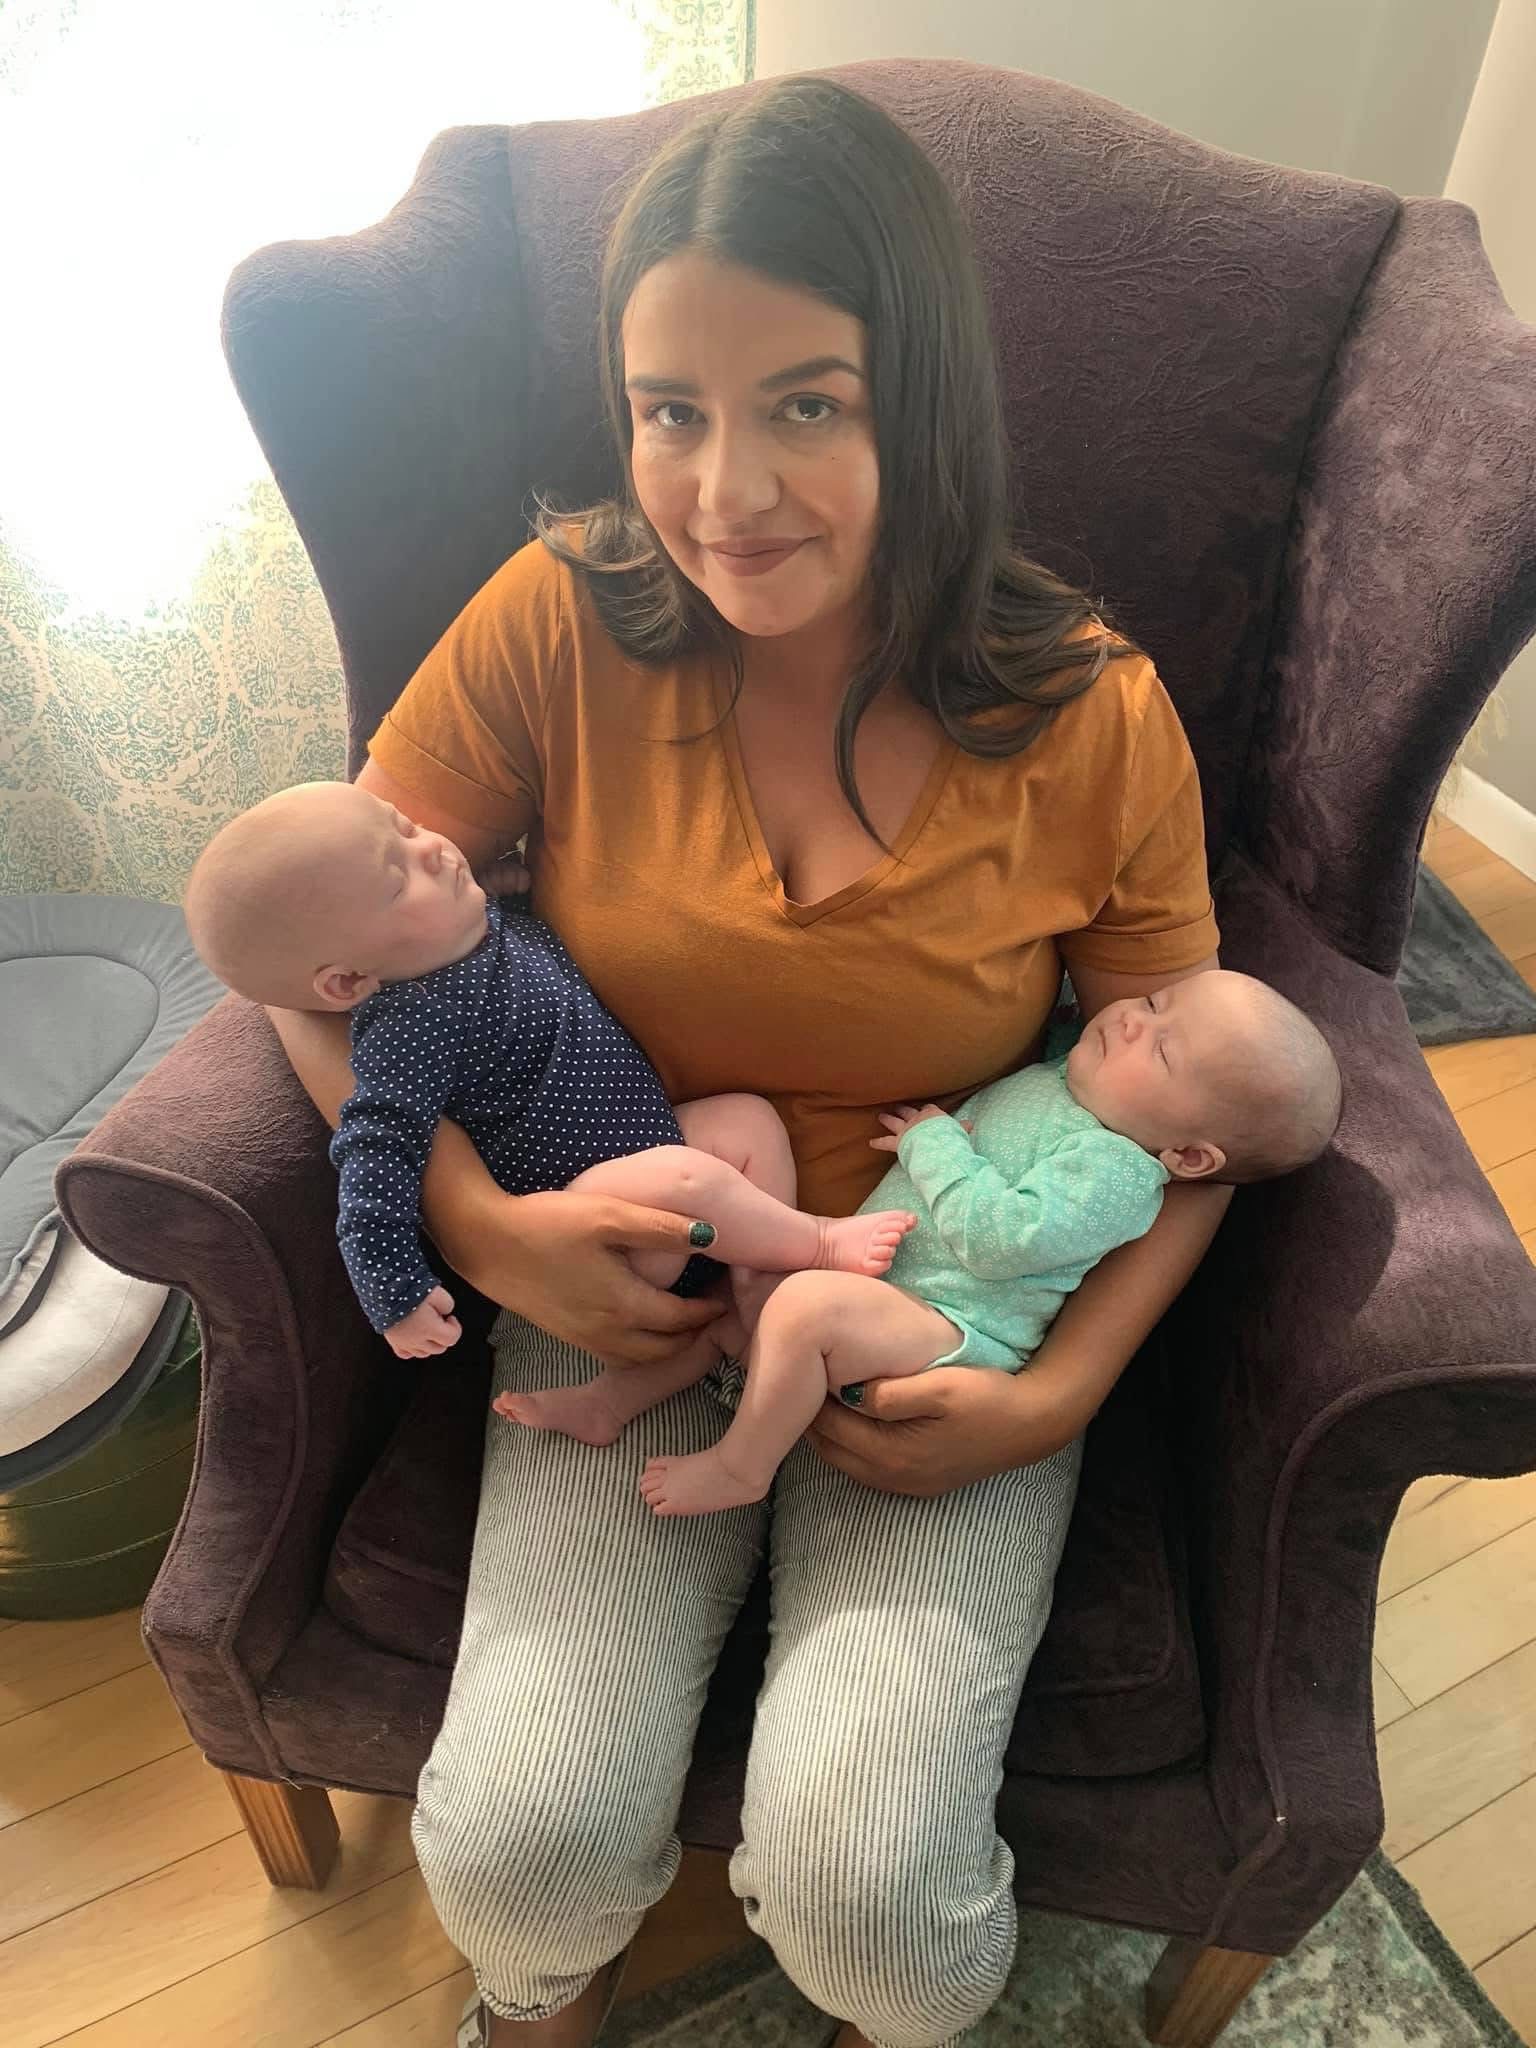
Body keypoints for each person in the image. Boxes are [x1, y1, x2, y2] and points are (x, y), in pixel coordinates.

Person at [267, 73, 1238, 2048]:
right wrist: (485, 1228)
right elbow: (311, 961)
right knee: (517, 1855)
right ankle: (544, 2002)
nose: (722, 491)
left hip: (939, 1309)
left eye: (807, 403)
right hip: (617, 1276)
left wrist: (1055, 1394)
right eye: (669, 410)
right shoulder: (559, 619)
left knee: (873, 1897)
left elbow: (1203, 1117)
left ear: (923, 402)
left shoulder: (1094, 715)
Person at [502, 971, 1342, 1516]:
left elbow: (1000, 1240)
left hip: (950, 1326)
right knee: (734, 1298)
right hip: (887, 1287)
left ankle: (741, 1466)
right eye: (1154, 1003)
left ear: (1189, 1157)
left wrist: (933, 1143)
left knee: (801, 1309)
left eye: (1160, 1048)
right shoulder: (1080, 1079)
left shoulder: (1119, 1173)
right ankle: (609, 1404)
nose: (1128, 1022)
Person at [182, 778, 916, 1361]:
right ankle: (817, 1242)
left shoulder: (474, 925)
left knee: (746, 1121)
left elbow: (493, 912)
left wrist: (501, 881)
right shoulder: (406, 1028)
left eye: (405, 828)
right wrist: (393, 1292)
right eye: (396, 880)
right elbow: (374, 1157)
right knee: (686, 1180)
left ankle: (757, 1295)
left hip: (658, 1142)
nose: (430, 851)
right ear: (346, 981)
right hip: (601, 1226)